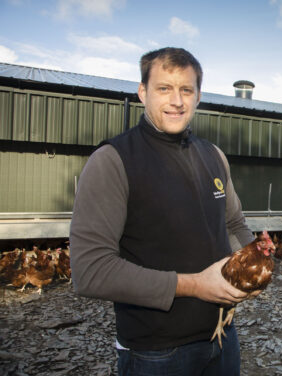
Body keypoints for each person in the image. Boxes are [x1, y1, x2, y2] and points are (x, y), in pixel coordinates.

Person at [70, 47, 256, 376]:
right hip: (155, 352)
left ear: (198, 96)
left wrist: (252, 265)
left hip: (223, 336)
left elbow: (235, 224)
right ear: (143, 92)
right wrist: (195, 285)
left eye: (186, 90)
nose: (177, 101)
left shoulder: (214, 156)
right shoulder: (114, 160)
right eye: (164, 88)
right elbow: (90, 270)